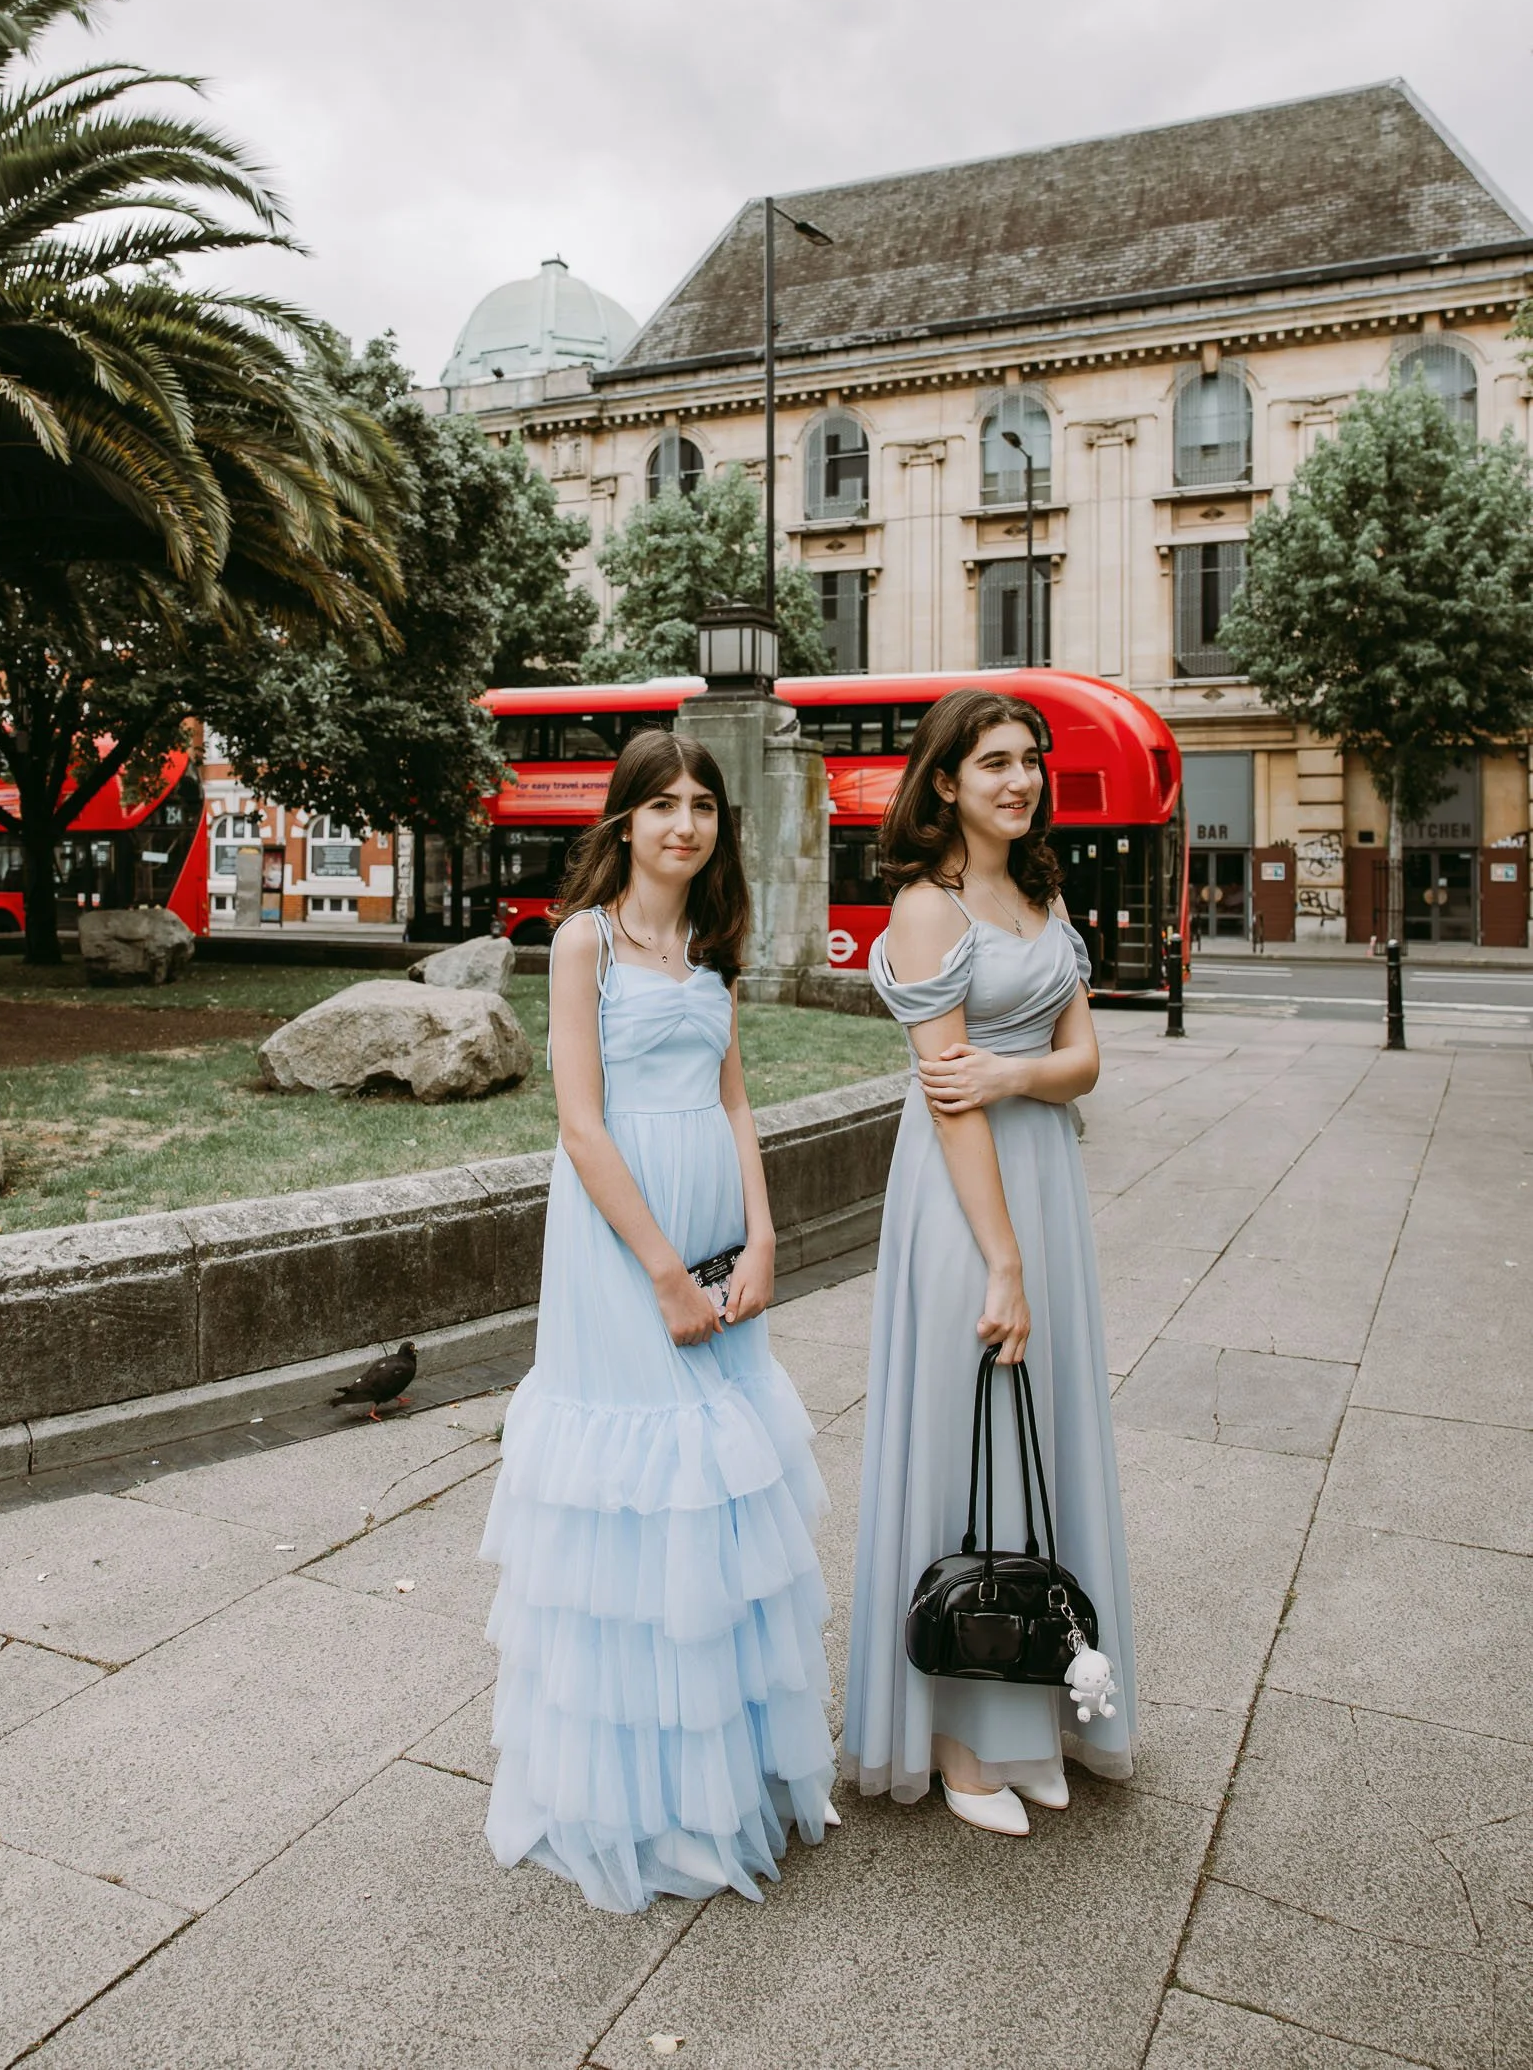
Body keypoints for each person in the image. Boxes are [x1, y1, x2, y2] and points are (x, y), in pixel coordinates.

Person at [480, 727, 837, 1912]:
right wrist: (664, 1275)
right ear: (623, 821)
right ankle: (634, 1804)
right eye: (661, 804)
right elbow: (581, 1125)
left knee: (724, 1498)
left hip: (721, 1238)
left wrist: (766, 1232)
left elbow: (736, 1099)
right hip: (618, 1247)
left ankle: (724, 1785)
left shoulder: (712, 943)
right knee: (643, 1498)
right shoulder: (581, 940)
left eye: (702, 805)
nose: (683, 823)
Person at [841, 689, 1136, 1837]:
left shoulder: (1040, 888)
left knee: (1041, 1426)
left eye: (1030, 761)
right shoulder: (926, 907)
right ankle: (961, 1738)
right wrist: (1000, 1262)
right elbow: (944, 1097)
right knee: (963, 1436)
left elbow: (1084, 1059)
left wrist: (1014, 1074)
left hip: (1044, 1179)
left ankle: (1030, 1719)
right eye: (994, 764)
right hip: (965, 1203)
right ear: (946, 782)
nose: (1018, 781)